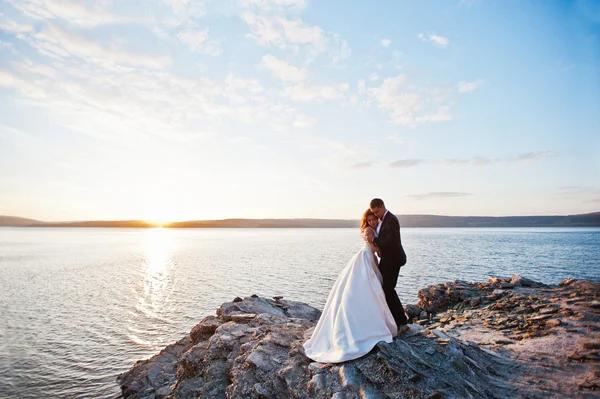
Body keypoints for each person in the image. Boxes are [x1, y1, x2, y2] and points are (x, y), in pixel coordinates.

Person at [303, 209, 397, 363]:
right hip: (366, 259)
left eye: (374, 219)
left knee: (373, 291)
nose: (373, 222)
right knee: (367, 289)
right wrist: (381, 248)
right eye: (370, 220)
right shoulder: (368, 231)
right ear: (366, 221)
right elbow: (374, 247)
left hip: (370, 260)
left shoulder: (376, 229)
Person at [369, 198, 409, 331]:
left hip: (393, 260)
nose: (376, 215)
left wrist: (375, 240)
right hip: (386, 260)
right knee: (383, 288)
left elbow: (390, 241)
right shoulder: (383, 220)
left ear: (382, 206)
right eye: (373, 213)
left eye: (377, 211)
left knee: (388, 289)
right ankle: (392, 319)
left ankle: (401, 321)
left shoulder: (391, 220)